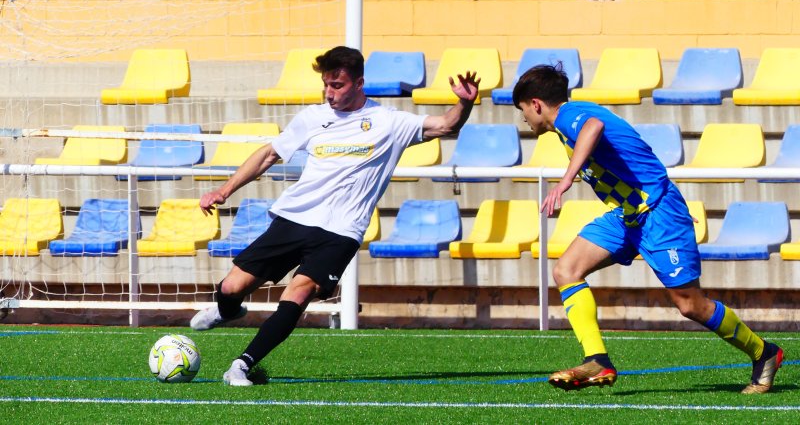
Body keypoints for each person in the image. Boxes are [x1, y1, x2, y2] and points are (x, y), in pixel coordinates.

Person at [190, 45, 481, 386]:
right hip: (295, 217)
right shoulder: (312, 118)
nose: (330, 93)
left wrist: (465, 103)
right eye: (326, 85)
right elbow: (269, 154)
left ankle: (241, 365)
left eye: (338, 85)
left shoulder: (389, 123)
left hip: (341, 231)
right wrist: (224, 191)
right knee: (230, 287)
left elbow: (446, 125)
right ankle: (227, 310)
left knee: (298, 293)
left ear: (360, 83)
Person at [512, 64, 783, 394]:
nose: (524, 119)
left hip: (655, 213)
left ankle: (764, 352)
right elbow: (632, 154)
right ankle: (597, 360)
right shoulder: (568, 124)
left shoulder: (572, 116)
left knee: (690, 305)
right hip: (627, 215)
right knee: (566, 270)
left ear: (536, 104)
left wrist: (565, 181)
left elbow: (594, 127)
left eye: (523, 110)